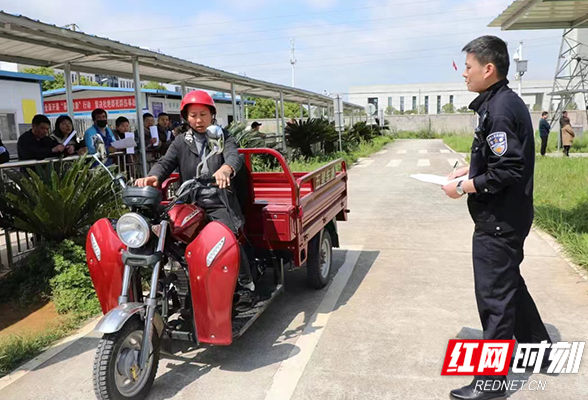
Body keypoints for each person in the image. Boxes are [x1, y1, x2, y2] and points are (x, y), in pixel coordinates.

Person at [442, 36, 552, 400]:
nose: (465, 75)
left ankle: (492, 384)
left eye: (469, 68)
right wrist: (467, 168)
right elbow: (497, 159)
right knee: (508, 287)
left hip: (499, 221)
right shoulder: (499, 102)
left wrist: (465, 186)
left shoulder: (501, 108)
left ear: (489, 69)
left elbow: (507, 170)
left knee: (495, 300)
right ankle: (539, 347)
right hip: (508, 217)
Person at [135, 90, 257, 310]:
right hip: (191, 201)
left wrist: (226, 169)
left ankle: (245, 285)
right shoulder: (181, 141)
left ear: (212, 114)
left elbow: (234, 156)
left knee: (228, 239)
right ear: (186, 117)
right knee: (167, 234)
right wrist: (153, 176)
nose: (198, 120)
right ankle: (174, 281)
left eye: (203, 114)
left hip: (220, 201)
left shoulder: (224, 137)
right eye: (193, 115)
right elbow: (165, 162)